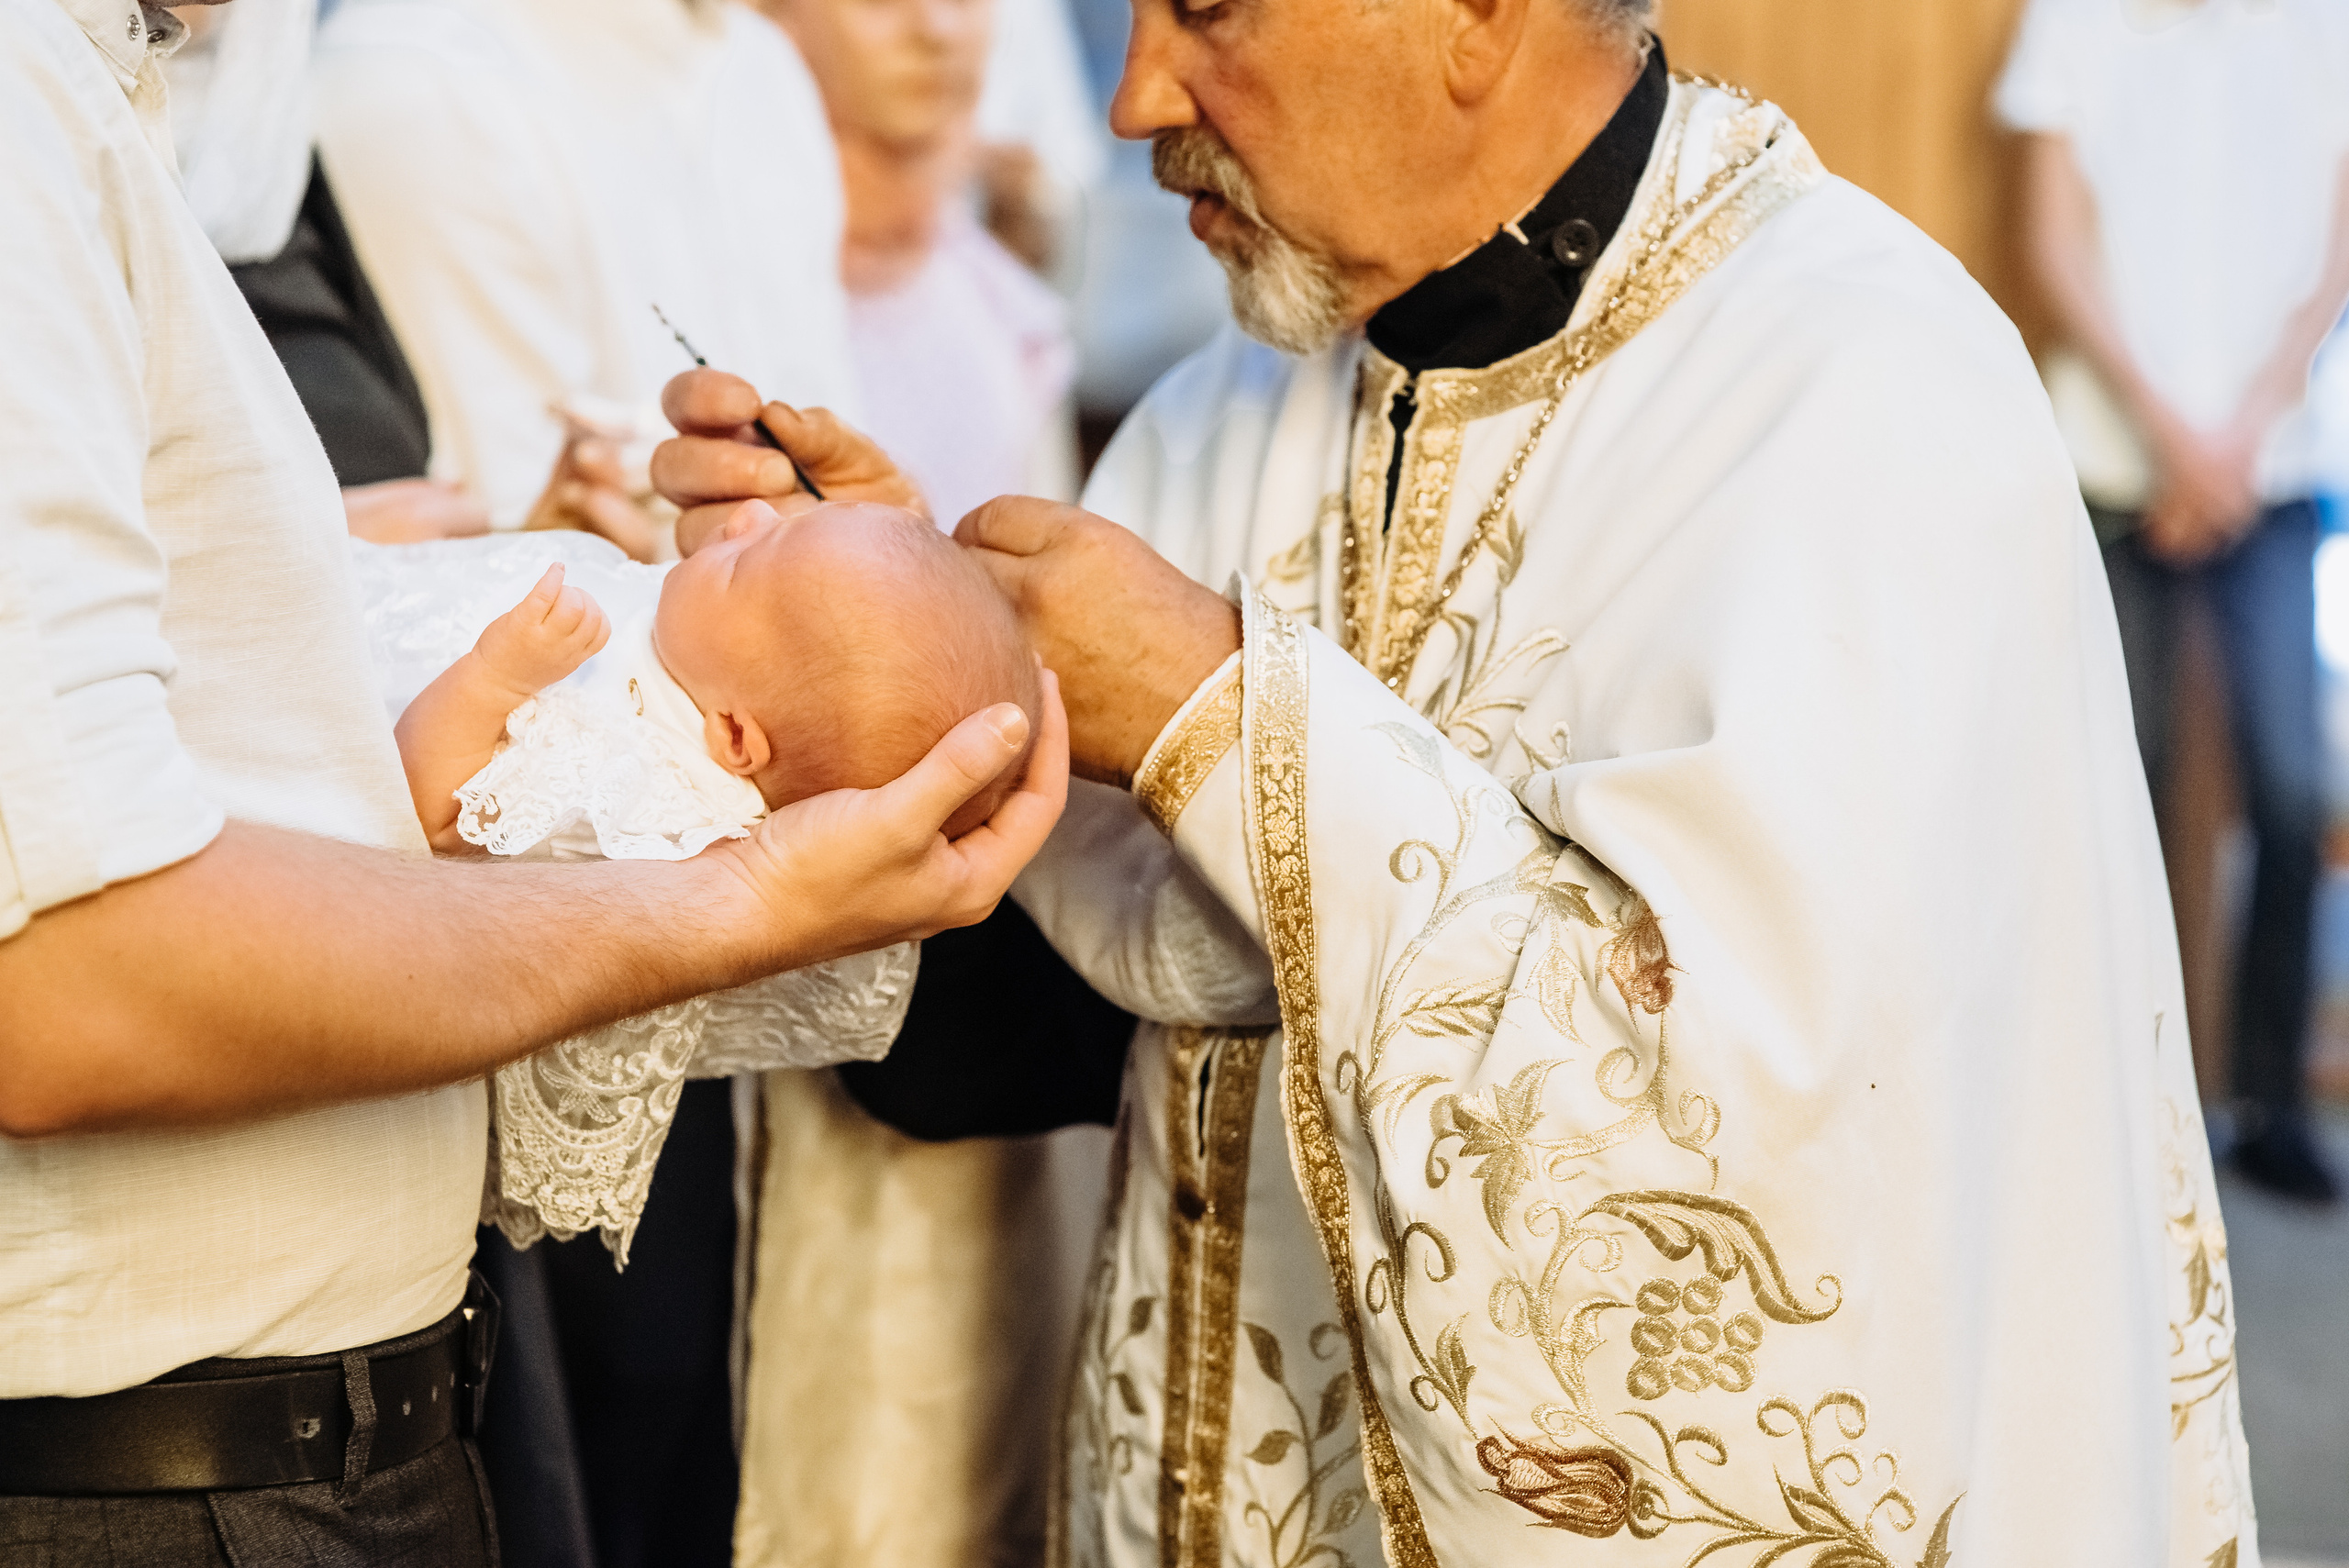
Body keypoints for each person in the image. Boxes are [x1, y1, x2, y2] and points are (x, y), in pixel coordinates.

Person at [655, 0, 2257, 1559]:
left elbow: (1762, 1178)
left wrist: (1225, 712)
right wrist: (893, 655)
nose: (1135, 96)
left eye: (1209, 10)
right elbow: (1048, 1050)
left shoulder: (1867, 394)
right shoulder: (1212, 420)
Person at [0, 5, 1064, 1561]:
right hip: (160, 1481)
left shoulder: (113, 99)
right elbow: (63, 975)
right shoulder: (50, 98)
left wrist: (779, 651)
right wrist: (731, 896)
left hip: (307, 1446)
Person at [729, 4, 1125, 1563]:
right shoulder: (761, 283)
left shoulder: (998, 305)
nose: (939, 27)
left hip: (1013, 963)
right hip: (821, 996)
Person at [1998, 0, 2349, 1206]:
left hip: (2272, 466)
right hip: (2108, 455)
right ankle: (2117, 1111)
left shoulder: (2323, 26)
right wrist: (2165, 431)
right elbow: (2054, 242)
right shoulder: (2071, 19)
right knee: (2116, 789)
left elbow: (2334, 257)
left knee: (2296, 790)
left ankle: (2269, 1103)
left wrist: (2237, 434)